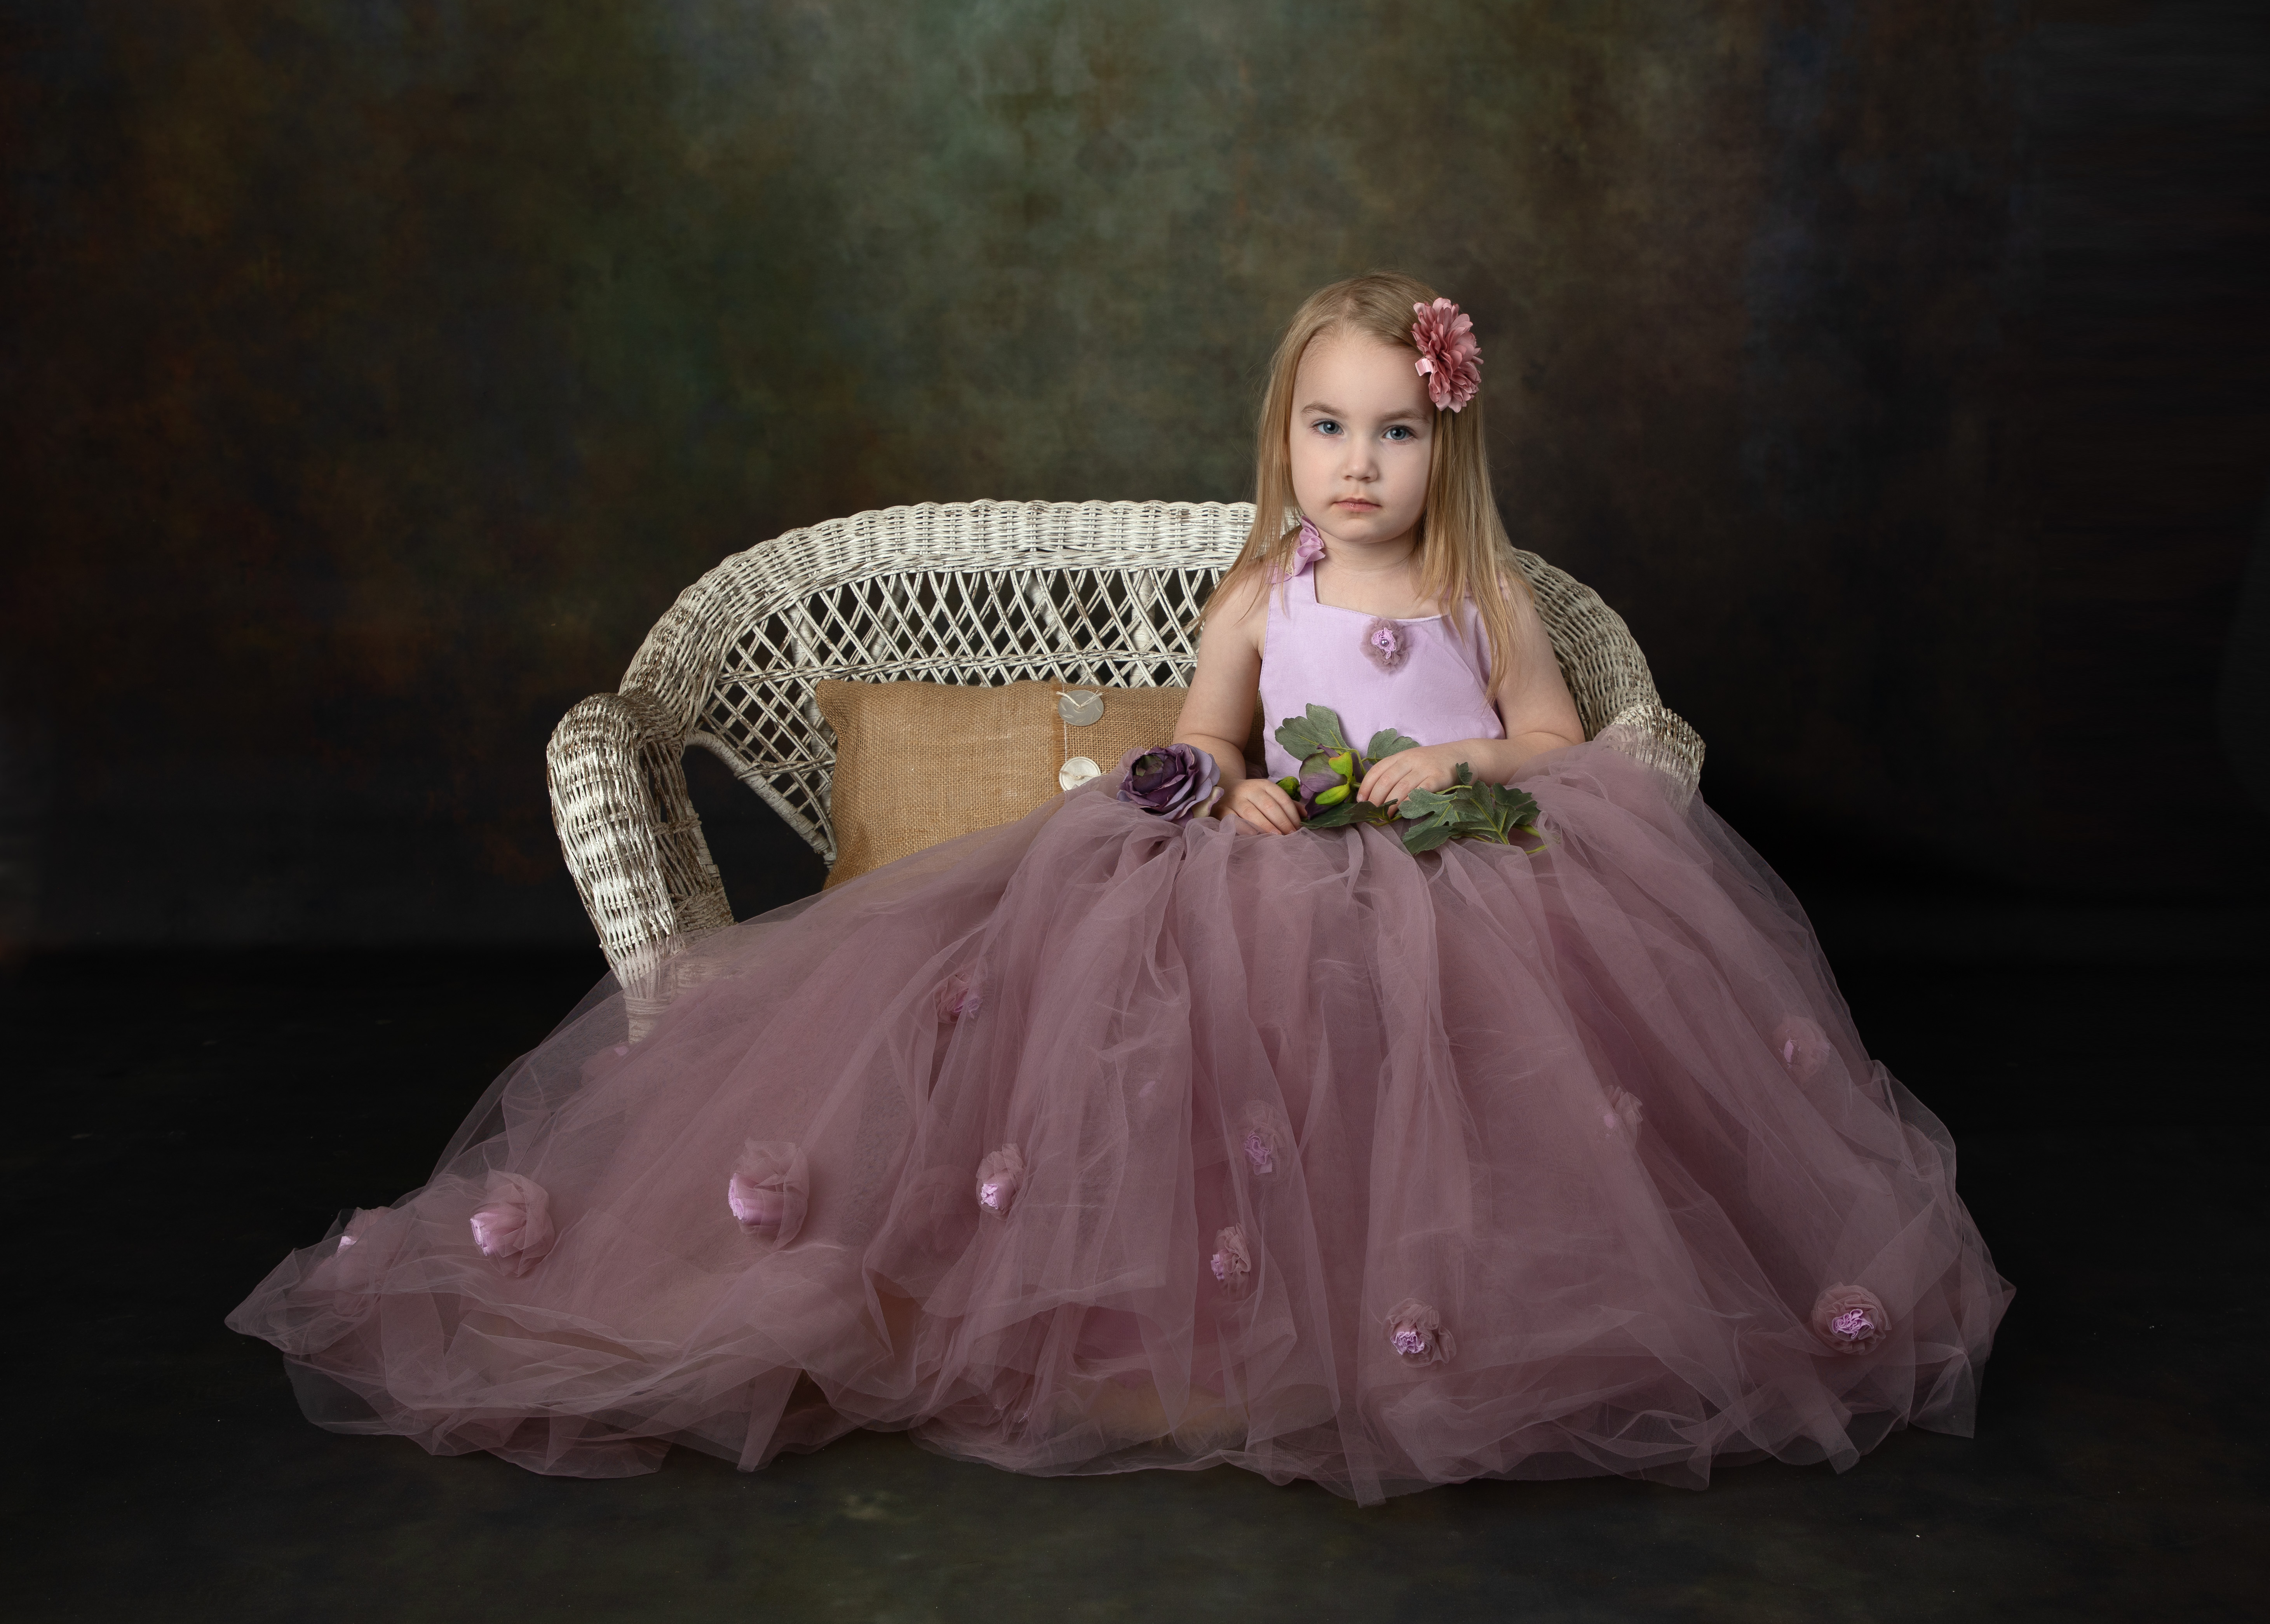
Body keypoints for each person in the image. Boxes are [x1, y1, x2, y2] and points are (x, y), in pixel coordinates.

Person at [230, 273, 2010, 1504]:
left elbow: (1567, 744)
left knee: (1477, 1056)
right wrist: (1231, 788)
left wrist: (1455, 765)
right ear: (1285, 436)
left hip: (1460, 874)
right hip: (1274, 858)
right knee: (1169, 997)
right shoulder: (1262, 594)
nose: (1358, 463)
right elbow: (1202, 738)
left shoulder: (1489, 599)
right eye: (1329, 426)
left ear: (1443, 449)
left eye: (1394, 433)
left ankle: (1435, 1319)